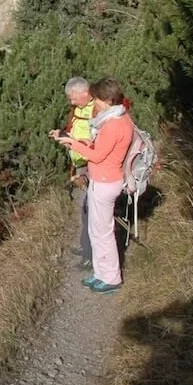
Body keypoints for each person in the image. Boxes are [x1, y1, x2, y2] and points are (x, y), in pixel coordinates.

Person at [58, 77, 134, 293]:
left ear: (107, 100)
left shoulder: (112, 125)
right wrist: (79, 141)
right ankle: (101, 274)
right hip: (104, 180)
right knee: (97, 230)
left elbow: (98, 155)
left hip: (105, 181)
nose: (95, 103)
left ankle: (111, 279)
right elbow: (100, 148)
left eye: (98, 99)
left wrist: (72, 143)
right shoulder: (120, 119)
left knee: (103, 232)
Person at [49, 77, 94, 267]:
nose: (71, 102)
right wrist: (63, 134)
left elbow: (94, 140)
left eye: (73, 98)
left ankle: (91, 256)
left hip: (93, 163)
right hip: (83, 162)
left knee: (91, 210)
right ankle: (87, 247)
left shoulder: (96, 109)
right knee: (86, 209)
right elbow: (78, 134)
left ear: (83, 92)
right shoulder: (80, 109)